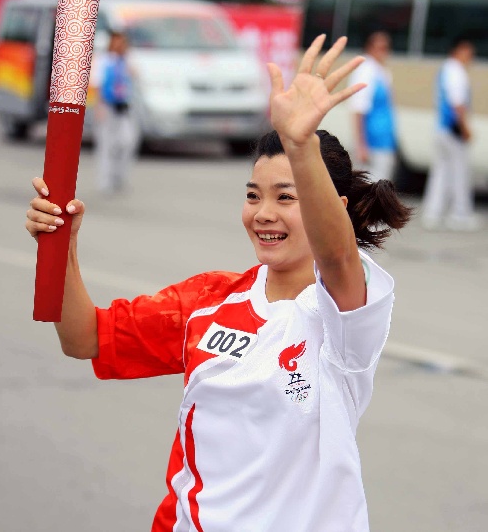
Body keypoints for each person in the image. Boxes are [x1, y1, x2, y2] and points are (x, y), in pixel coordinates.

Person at [26, 35, 412, 532]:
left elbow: (337, 256)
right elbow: (84, 338)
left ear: (329, 209)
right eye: (253, 195)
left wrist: (300, 144)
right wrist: (63, 247)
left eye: (286, 197)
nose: (263, 214)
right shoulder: (209, 300)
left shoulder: (342, 317)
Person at [422, 36, 481, 231]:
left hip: (442, 128)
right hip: (453, 130)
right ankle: (460, 213)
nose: (471, 55)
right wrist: (465, 129)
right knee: (459, 171)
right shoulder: (456, 71)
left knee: (441, 172)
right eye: (468, 50)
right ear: (459, 50)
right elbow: (458, 104)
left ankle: (433, 212)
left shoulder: (445, 68)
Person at [91, 30, 138, 193]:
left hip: (124, 107)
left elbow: (135, 80)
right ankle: (105, 181)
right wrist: (99, 106)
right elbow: (97, 84)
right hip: (107, 106)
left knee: (127, 141)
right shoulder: (104, 61)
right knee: (106, 145)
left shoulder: (127, 60)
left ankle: (119, 177)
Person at [348, 30, 398, 181]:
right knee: (371, 188)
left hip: (383, 138)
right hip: (371, 140)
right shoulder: (365, 71)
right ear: (369, 47)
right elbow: (358, 109)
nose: (383, 51)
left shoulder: (381, 71)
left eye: (386, 47)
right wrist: (361, 144)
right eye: (379, 47)